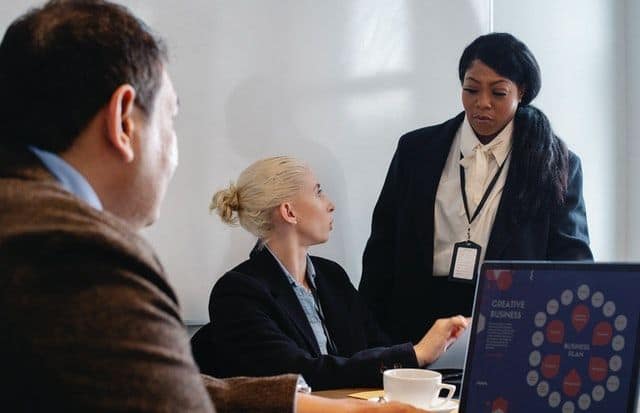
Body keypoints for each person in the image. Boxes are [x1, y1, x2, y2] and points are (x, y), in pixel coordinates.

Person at [0, 1, 431, 412]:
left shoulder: (27, 217)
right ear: (123, 120)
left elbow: (185, 388)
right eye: (171, 119)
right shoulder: (80, 253)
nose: (174, 155)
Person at [359, 32, 593, 345]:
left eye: (498, 93)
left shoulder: (557, 162)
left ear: (521, 92)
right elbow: (382, 248)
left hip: (510, 320)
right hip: (415, 321)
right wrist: (366, 332)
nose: (482, 103)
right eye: (471, 90)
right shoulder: (417, 150)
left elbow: (571, 262)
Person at [198, 156, 468, 390]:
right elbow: (297, 375)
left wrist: (433, 350)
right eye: (318, 192)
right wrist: (415, 354)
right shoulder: (237, 293)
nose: (330, 204)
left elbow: (375, 346)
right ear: (289, 211)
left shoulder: (332, 277)